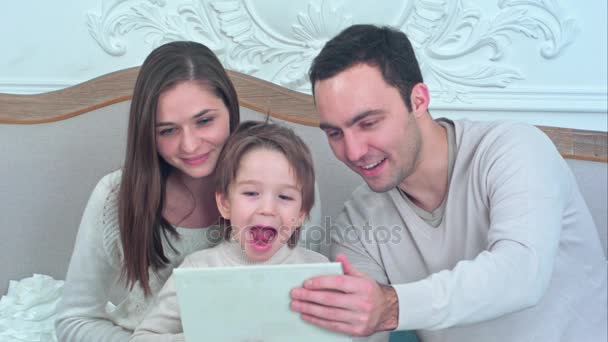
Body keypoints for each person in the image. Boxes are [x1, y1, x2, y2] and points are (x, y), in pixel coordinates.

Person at [290, 24, 608, 342]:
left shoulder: (515, 149)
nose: (353, 151)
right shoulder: (359, 219)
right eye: (334, 133)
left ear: (418, 100)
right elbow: (360, 328)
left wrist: (391, 306)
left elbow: (522, 272)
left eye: (369, 123)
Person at [54, 42, 324, 341]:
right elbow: (75, 321)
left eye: (204, 121)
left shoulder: (287, 182)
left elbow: (309, 310)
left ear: (230, 110)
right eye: (168, 130)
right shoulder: (114, 197)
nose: (190, 145)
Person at [129, 121, 329, 341]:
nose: (267, 209)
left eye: (285, 197)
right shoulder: (197, 271)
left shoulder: (318, 274)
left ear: (301, 214)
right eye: (251, 193)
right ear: (225, 203)